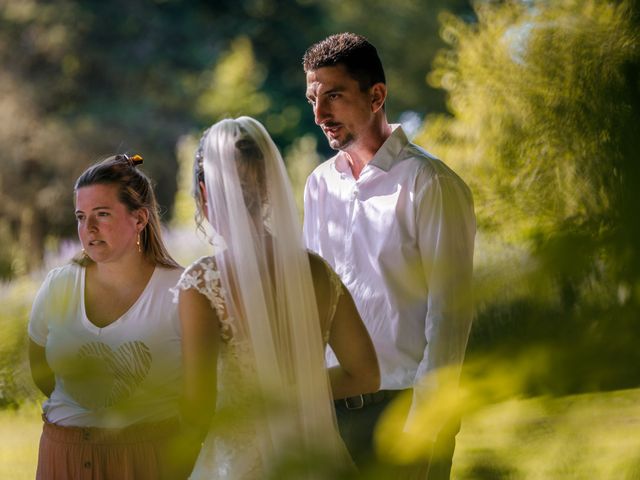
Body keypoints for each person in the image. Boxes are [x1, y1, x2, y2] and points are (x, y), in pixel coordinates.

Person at [302, 33, 476, 478]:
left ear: (376, 95)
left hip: (405, 407)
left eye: (334, 96)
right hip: (332, 409)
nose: (319, 114)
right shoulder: (319, 185)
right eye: (313, 99)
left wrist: (427, 417)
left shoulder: (429, 182)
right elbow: (314, 300)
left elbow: (450, 310)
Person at [174, 116, 380, 479]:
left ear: (205, 192)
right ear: (269, 187)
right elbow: (365, 375)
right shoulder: (317, 273)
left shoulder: (204, 284)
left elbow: (198, 407)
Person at [28, 154, 186, 479]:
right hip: (62, 458)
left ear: (140, 219)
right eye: (81, 216)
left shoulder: (180, 290)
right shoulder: (59, 285)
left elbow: (201, 391)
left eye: (102, 214)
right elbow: (42, 371)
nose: (89, 229)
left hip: (149, 461)